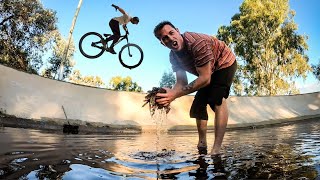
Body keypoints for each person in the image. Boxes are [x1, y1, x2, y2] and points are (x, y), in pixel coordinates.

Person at [153, 21, 237, 156]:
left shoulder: (197, 43)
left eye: (171, 33)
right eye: (165, 38)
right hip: (207, 71)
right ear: (162, 43)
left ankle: (216, 149)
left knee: (216, 98)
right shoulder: (173, 57)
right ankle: (202, 144)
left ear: (178, 30)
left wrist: (174, 95)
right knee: (198, 105)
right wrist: (169, 96)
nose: (170, 39)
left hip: (224, 63)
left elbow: (205, 79)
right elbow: (181, 82)